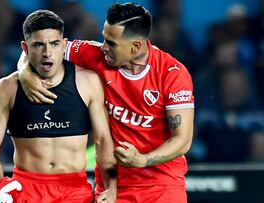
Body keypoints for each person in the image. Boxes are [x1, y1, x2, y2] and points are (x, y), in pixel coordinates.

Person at [18, 3, 195, 203]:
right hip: (113, 187)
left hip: (163, 185)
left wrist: (143, 160)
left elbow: (183, 140)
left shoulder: (171, 74)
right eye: (103, 38)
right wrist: (25, 73)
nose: (103, 47)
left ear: (135, 46)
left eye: (111, 43)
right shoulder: (95, 55)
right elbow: (40, 48)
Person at [0, 10, 117, 203]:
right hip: (25, 190)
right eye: (38, 45)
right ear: (25, 49)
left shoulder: (88, 82)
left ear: (64, 45)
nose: (47, 53)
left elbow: (103, 141)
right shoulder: (6, 89)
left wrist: (110, 188)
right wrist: (2, 187)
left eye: (54, 44)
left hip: (74, 192)